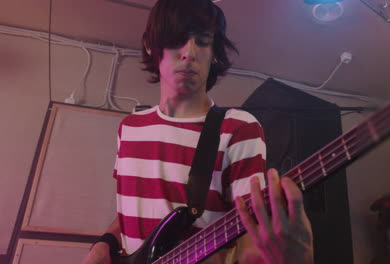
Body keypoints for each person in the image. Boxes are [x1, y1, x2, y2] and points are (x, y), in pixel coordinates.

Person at [82, 0, 314, 263]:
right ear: (150, 45)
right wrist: (104, 243)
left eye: (203, 41)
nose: (189, 52)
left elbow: (252, 232)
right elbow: (130, 212)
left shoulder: (239, 128)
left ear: (214, 53)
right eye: (176, 39)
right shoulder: (130, 128)